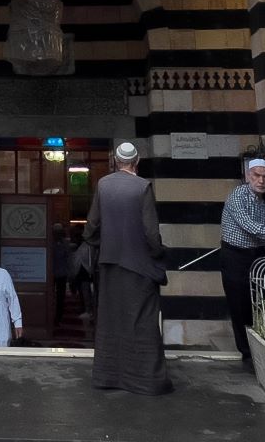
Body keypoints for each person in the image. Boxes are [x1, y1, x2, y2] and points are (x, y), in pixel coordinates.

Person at [82, 141, 171, 395]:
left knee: (111, 322)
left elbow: (92, 225)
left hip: (110, 265)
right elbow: (151, 233)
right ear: (137, 161)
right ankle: (145, 380)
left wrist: (100, 242)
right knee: (142, 321)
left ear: (114, 161)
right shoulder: (142, 187)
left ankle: (108, 376)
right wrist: (158, 254)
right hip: (139, 267)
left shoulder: (103, 184)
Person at [220, 158, 265, 371]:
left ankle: (263, 344)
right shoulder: (237, 196)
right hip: (236, 256)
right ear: (247, 176)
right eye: (256, 175)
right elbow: (248, 225)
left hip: (258, 256)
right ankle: (247, 352)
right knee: (239, 303)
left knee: (263, 302)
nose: (261, 180)